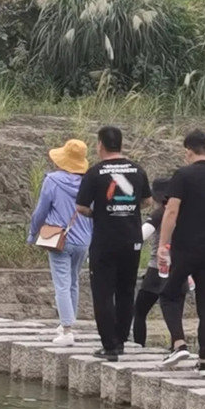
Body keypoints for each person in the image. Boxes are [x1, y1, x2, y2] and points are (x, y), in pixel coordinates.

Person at [157, 130, 205, 376]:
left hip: (185, 248)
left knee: (169, 295)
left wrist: (163, 244)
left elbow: (172, 211)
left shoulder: (183, 175)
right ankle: (204, 361)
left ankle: (179, 343)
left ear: (189, 151)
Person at [76, 126, 151, 362]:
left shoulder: (95, 172)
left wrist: (99, 213)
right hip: (132, 240)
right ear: (121, 144)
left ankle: (109, 345)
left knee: (103, 293)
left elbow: (81, 207)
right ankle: (120, 340)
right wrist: (128, 208)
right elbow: (147, 201)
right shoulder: (137, 170)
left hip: (105, 240)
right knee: (126, 291)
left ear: (100, 144)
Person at [28, 139, 93, 345]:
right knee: (73, 281)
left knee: (62, 284)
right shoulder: (89, 182)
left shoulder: (53, 181)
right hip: (84, 240)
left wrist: (33, 233)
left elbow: (41, 211)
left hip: (59, 239)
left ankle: (66, 330)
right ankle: (68, 321)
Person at [132, 178, 191, 347]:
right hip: (181, 267)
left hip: (158, 269)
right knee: (175, 313)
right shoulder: (186, 213)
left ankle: (139, 346)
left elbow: (141, 235)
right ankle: (176, 346)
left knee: (140, 311)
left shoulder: (159, 214)